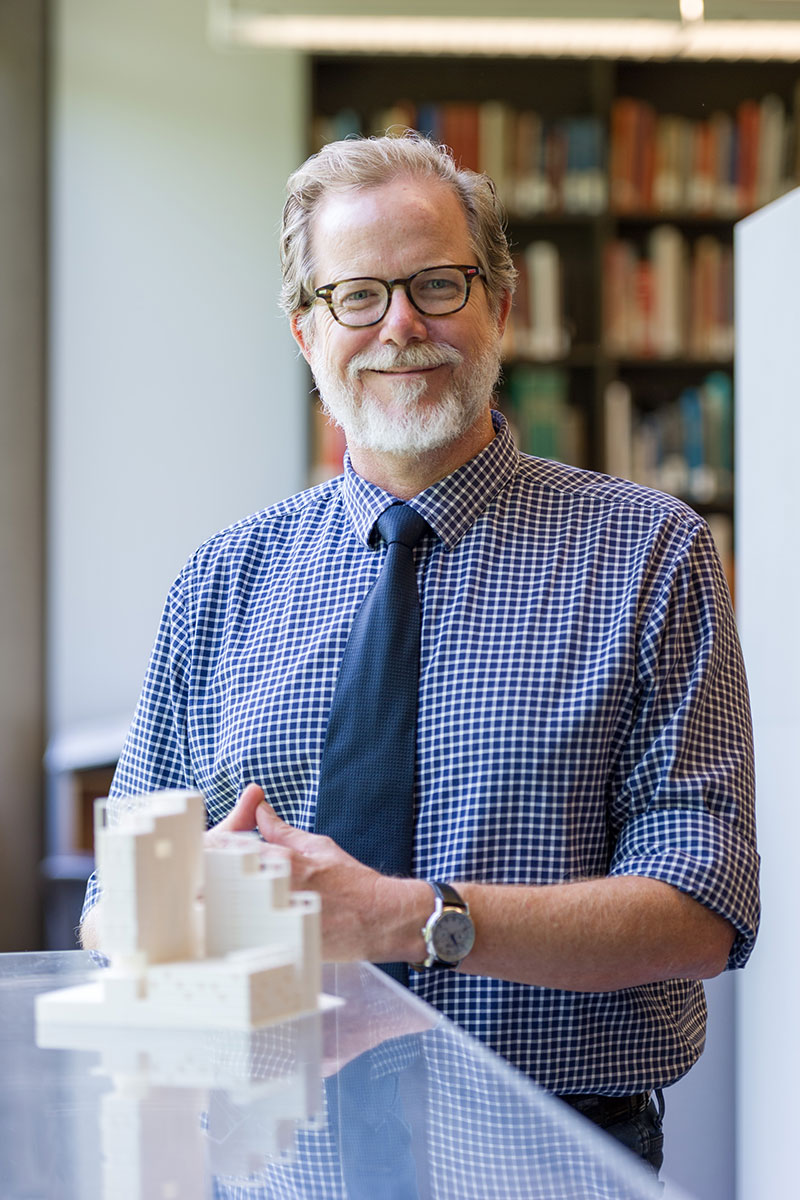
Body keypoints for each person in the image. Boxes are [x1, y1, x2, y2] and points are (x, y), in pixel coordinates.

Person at [81, 133, 759, 1171]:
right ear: (306, 331)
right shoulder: (222, 581)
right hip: (273, 1155)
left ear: (499, 302)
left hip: (550, 1159)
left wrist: (410, 919)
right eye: (356, 295)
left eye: (436, 284)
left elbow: (701, 907)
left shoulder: (649, 552)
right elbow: (108, 916)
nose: (400, 325)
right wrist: (179, 905)